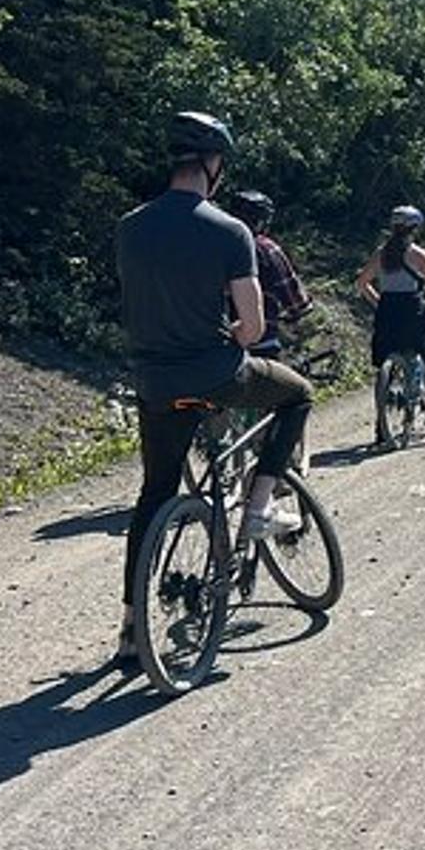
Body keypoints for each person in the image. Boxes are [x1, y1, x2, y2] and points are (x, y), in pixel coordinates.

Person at [114, 112, 313, 664]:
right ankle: (259, 503)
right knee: (297, 395)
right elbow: (251, 328)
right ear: (213, 164)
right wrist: (230, 332)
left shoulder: (130, 226)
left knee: (153, 495)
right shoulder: (230, 230)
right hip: (216, 373)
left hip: (153, 379)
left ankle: (132, 629)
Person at [356, 205, 425, 446]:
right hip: (413, 311)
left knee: (386, 358)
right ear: (414, 228)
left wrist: (379, 302)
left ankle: (381, 425)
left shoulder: (380, 254)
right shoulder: (420, 255)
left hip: (387, 312)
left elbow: (363, 283)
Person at [222, 190, 313, 358]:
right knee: (299, 385)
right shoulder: (267, 249)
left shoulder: (216, 246)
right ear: (262, 221)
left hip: (216, 342)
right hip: (260, 345)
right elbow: (296, 304)